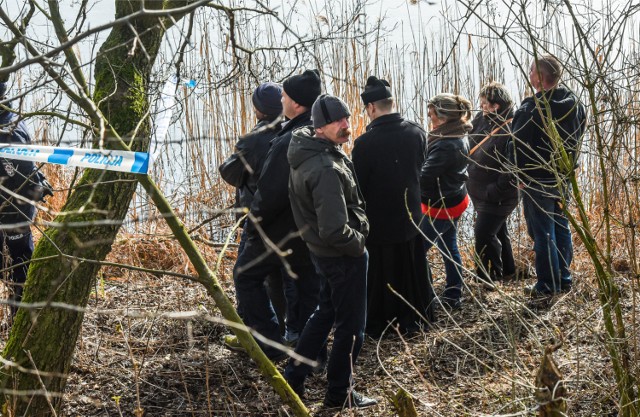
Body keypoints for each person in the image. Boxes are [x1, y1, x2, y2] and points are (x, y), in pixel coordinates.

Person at [284, 94, 377, 409]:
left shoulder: (317, 151)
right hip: (341, 256)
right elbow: (334, 229)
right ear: (319, 127)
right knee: (352, 329)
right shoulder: (323, 166)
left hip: (324, 254)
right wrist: (360, 244)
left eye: (347, 119)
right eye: (337, 121)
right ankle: (340, 394)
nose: (346, 126)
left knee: (325, 314)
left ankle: (293, 377)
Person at [223, 70, 323, 360]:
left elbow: (267, 190)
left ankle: (270, 345)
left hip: (276, 225)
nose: (282, 99)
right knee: (302, 282)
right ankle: (307, 346)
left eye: (285, 95)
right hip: (304, 225)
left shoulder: (282, 139)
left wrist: (254, 222)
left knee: (247, 276)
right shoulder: (314, 129)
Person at [351, 76, 433, 337]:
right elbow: (420, 170)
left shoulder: (364, 144)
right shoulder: (417, 131)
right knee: (413, 266)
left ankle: (383, 321)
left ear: (371, 108)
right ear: (391, 102)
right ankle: (418, 315)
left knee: (382, 271)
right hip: (412, 214)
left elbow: (359, 187)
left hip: (380, 220)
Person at [512, 55, 586, 296]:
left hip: (537, 181)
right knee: (560, 225)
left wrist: (519, 177)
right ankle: (563, 278)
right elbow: (579, 134)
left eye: (531, 70)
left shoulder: (532, 108)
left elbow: (517, 147)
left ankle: (547, 284)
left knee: (542, 233)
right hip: (563, 178)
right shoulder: (575, 102)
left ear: (540, 78)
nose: (529, 73)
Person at [218, 82, 287, 334]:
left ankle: (261, 331)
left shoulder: (254, 139)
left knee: (249, 274)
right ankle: (286, 327)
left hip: (256, 214)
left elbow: (229, 171)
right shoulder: (291, 130)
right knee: (282, 274)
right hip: (287, 216)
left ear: (259, 109)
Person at [0, 82, 51, 321]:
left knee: (19, 271)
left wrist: (38, 185)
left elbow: (26, 175)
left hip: (14, 215)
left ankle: (20, 323)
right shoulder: (10, 116)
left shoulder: (11, 131)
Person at [420, 93, 472, 310]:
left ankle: (426, 294)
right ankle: (453, 293)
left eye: (431, 115)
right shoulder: (457, 132)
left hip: (441, 205)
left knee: (417, 248)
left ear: (442, 117)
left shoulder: (446, 144)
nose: (429, 119)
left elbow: (424, 176)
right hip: (455, 198)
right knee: (448, 245)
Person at [467, 82, 519, 283]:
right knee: (498, 230)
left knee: (483, 235)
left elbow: (511, 168)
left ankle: (489, 278)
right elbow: (470, 138)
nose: (480, 107)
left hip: (499, 195)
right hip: (481, 192)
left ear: (495, 105)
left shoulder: (512, 128)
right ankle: (508, 271)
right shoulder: (483, 118)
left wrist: (493, 191)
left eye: (483, 103)